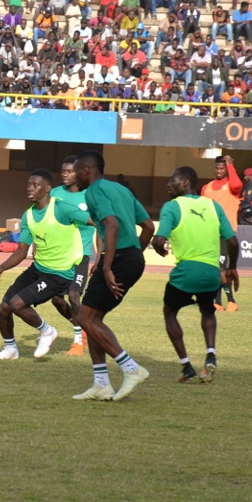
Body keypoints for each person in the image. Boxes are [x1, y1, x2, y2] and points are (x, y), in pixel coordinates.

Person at [71, 150, 154, 402]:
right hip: (133, 258)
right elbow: (149, 227)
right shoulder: (122, 190)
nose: (74, 176)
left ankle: (131, 368)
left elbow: (112, 225)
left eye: (76, 171)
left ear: (86, 170)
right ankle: (101, 384)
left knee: (85, 317)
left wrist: (107, 266)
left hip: (118, 258)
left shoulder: (94, 191)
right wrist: (133, 255)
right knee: (93, 317)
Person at [0, 169, 92, 361]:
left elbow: (94, 221)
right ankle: (10, 350)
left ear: (47, 189)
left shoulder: (62, 209)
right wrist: (2, 267)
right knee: (4, 307)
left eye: (35, 185)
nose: (30, 188)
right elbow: (21, 250)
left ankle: (47, 332)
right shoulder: (28, 215)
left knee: (17, 304)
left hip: (59, 274)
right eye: (28, 184)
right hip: (38, 269)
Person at [152, 166, 239, 384]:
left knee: (170, 312)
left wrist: (160, 248)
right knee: (208, 311)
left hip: (186, 272)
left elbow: (158, 240)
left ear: (185, 183)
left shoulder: (171, 206)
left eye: (172, 181)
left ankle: (186, 366)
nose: (168, 184)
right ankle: (210, 355)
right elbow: (232, 242)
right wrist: (232, 267)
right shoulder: (213, 206)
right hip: (211, 273)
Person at [50, 155, 101, 356]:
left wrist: (100, 257)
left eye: (69, 171)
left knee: (74, 295)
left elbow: (100, 227)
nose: (65, 174)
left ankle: (78, 341)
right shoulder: (54, 194)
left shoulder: (90, 196)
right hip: (58, 255)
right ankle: (80, 324)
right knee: (56, 299)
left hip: (81, 255)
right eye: (63, 170)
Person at [201, 154, 241, 311]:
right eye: (217, 168)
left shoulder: (231, 185)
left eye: (222, 168)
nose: (219, 171)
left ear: (226, 169)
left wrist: (231, 166)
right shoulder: (207, 187)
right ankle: (217, 302)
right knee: (216, 268)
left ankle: (230, 301)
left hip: (226, 233)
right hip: (210, 232)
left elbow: (238, 185)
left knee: (221, 268)